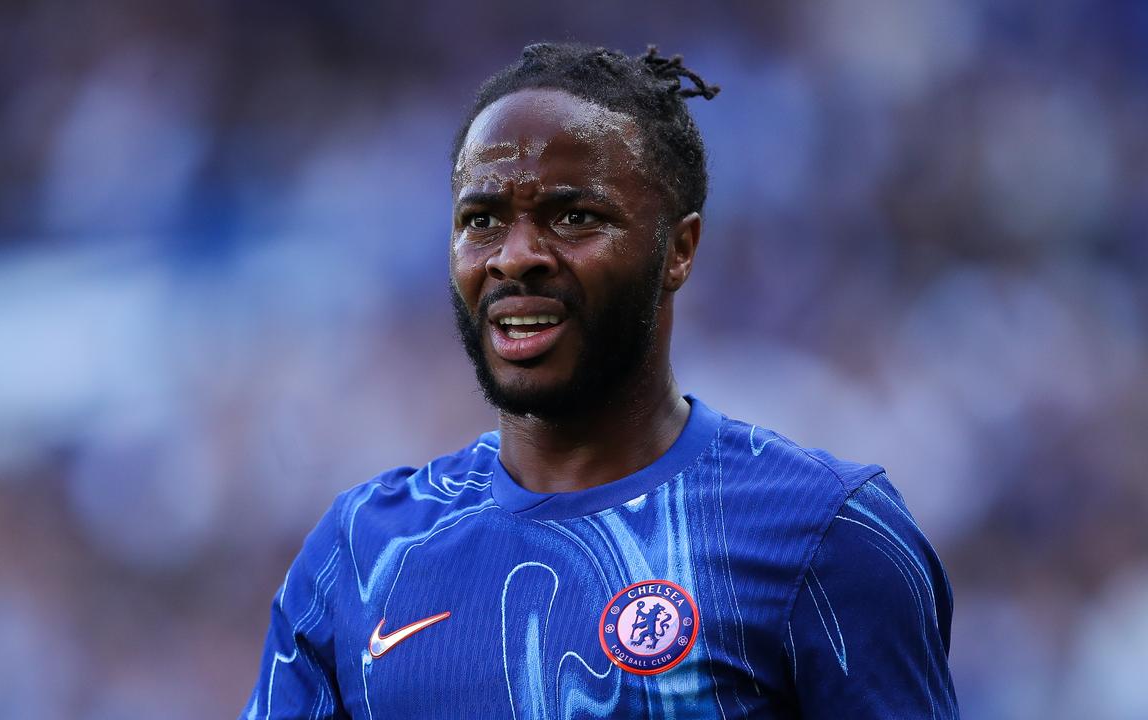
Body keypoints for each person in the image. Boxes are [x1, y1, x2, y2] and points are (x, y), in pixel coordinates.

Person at [242, 42, 959, 719]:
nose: (515, 256)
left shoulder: (824, 534)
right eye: (482, 219)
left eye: (575, 216)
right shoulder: (363, 554)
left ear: (678, 249)